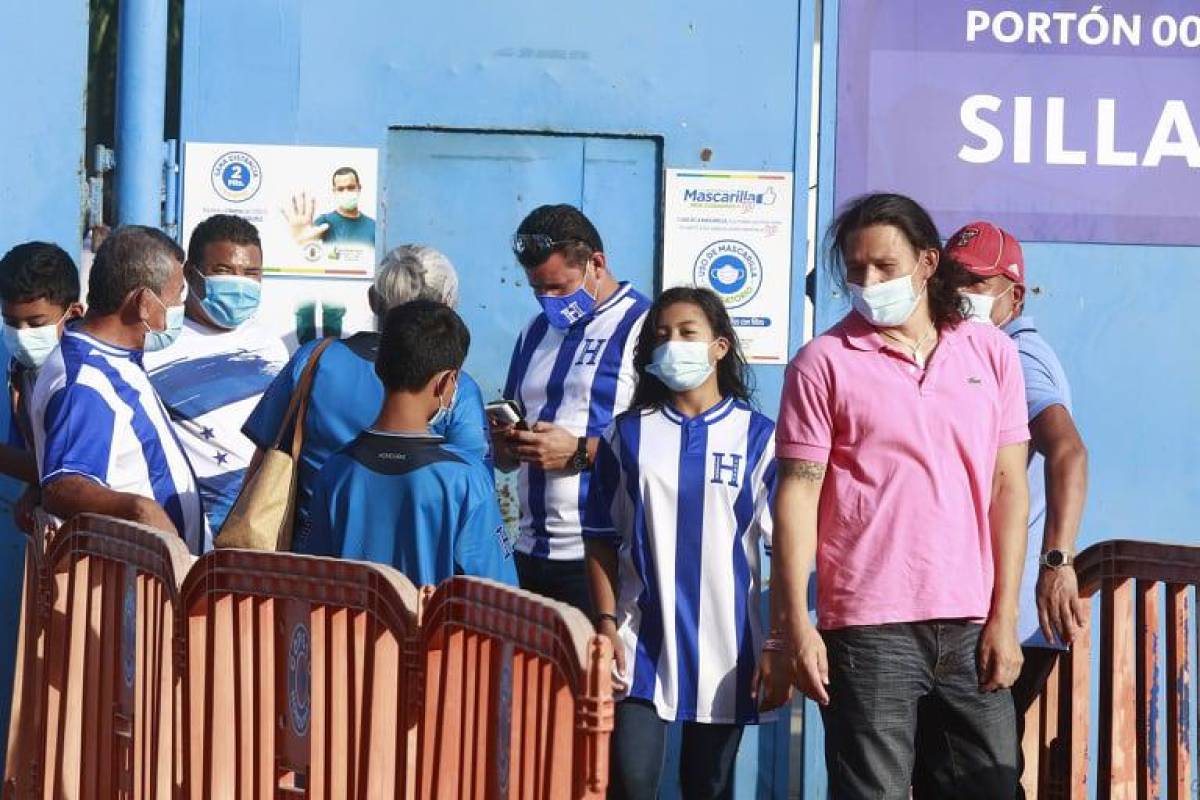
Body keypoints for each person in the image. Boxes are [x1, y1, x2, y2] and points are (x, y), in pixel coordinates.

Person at [768, 194, 1030, 799]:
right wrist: (792, 626)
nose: (869, 283)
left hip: (971, 622)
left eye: (885, 267)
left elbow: (1008, 486)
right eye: (856, 270)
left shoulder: (989, 352)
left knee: (990, 787)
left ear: (927, 262)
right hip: (868, 627)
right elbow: (797, 497)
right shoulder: (821, 364)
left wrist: (1005, 615)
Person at [583, 287, 784, 800]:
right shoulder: (625, 436)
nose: (673, 344)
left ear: (719, 346)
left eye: (687, 332)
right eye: (663, 335)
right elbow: (601, 538)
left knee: (708, 788)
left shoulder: (759, 438)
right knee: (630, 782)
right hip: (638, 644)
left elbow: (786, 551)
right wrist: (605, 624)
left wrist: (779, 643)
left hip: (727, 649)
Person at [946, 221, 1089, 779]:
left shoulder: (1016, 354)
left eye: (979, 283)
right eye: (954, 279)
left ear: (1015, 294)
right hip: (991, 604)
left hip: (1009, 612)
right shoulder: (974, 349)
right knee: (972, 768)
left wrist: (1056, 562)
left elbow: (1068, 452)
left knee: (980, 770)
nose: (963, 294)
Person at [243, 244, 490, 541]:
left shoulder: (314, 360)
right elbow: (476, 490)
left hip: (314, 562)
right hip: (414, 566)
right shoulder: (453, 386)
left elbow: (265, 459)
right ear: (446, 310)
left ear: (373, 301)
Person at [494, 204, 650, 618]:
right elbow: (504, 457)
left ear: (596, 264)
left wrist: (579, 452)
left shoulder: (646, 327)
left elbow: (666, 449)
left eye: (559, 288)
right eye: (537, 290)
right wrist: (508, 443)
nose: (548, 301)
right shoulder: (534, 331)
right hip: (528, 553)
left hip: (603, 559)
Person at [305, 300, 516, 585]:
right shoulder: (466, 480)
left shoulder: (335, 470)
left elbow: (315, 581)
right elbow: (497, 596)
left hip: (351, 630)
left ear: (380, 368)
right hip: (434, 631)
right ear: (447, 382)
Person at [29, 226, 208, 553]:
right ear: (143, 302)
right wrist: (139, 509)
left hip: (165, 582)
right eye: (177, 296)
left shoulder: (115, 358)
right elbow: (63, 485)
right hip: (135, 588)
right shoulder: (85, 382)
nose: (182, 306)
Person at [143, 215, 288, 534]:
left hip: (257, 531)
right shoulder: (154, 346)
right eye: (224, 271)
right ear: (191, 276)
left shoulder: (271, 346)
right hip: (184, 532)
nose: (240, 283)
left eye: (251, 273)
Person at [0, 242, 84, 531]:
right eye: (11, 323)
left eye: (36, 324)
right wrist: (33, 492)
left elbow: (67, 473)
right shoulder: (19, 371)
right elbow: (39, 459)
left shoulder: (82, 381)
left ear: (72, 314)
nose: (22, 336)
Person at [284, 166, 376, 247]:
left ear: (359, 188)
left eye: (351, 187)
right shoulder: (324, 223)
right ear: (334, 191)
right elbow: (309, 253)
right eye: (340, 189)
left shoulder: (374, 226)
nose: (346, 192)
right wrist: (301, 242)